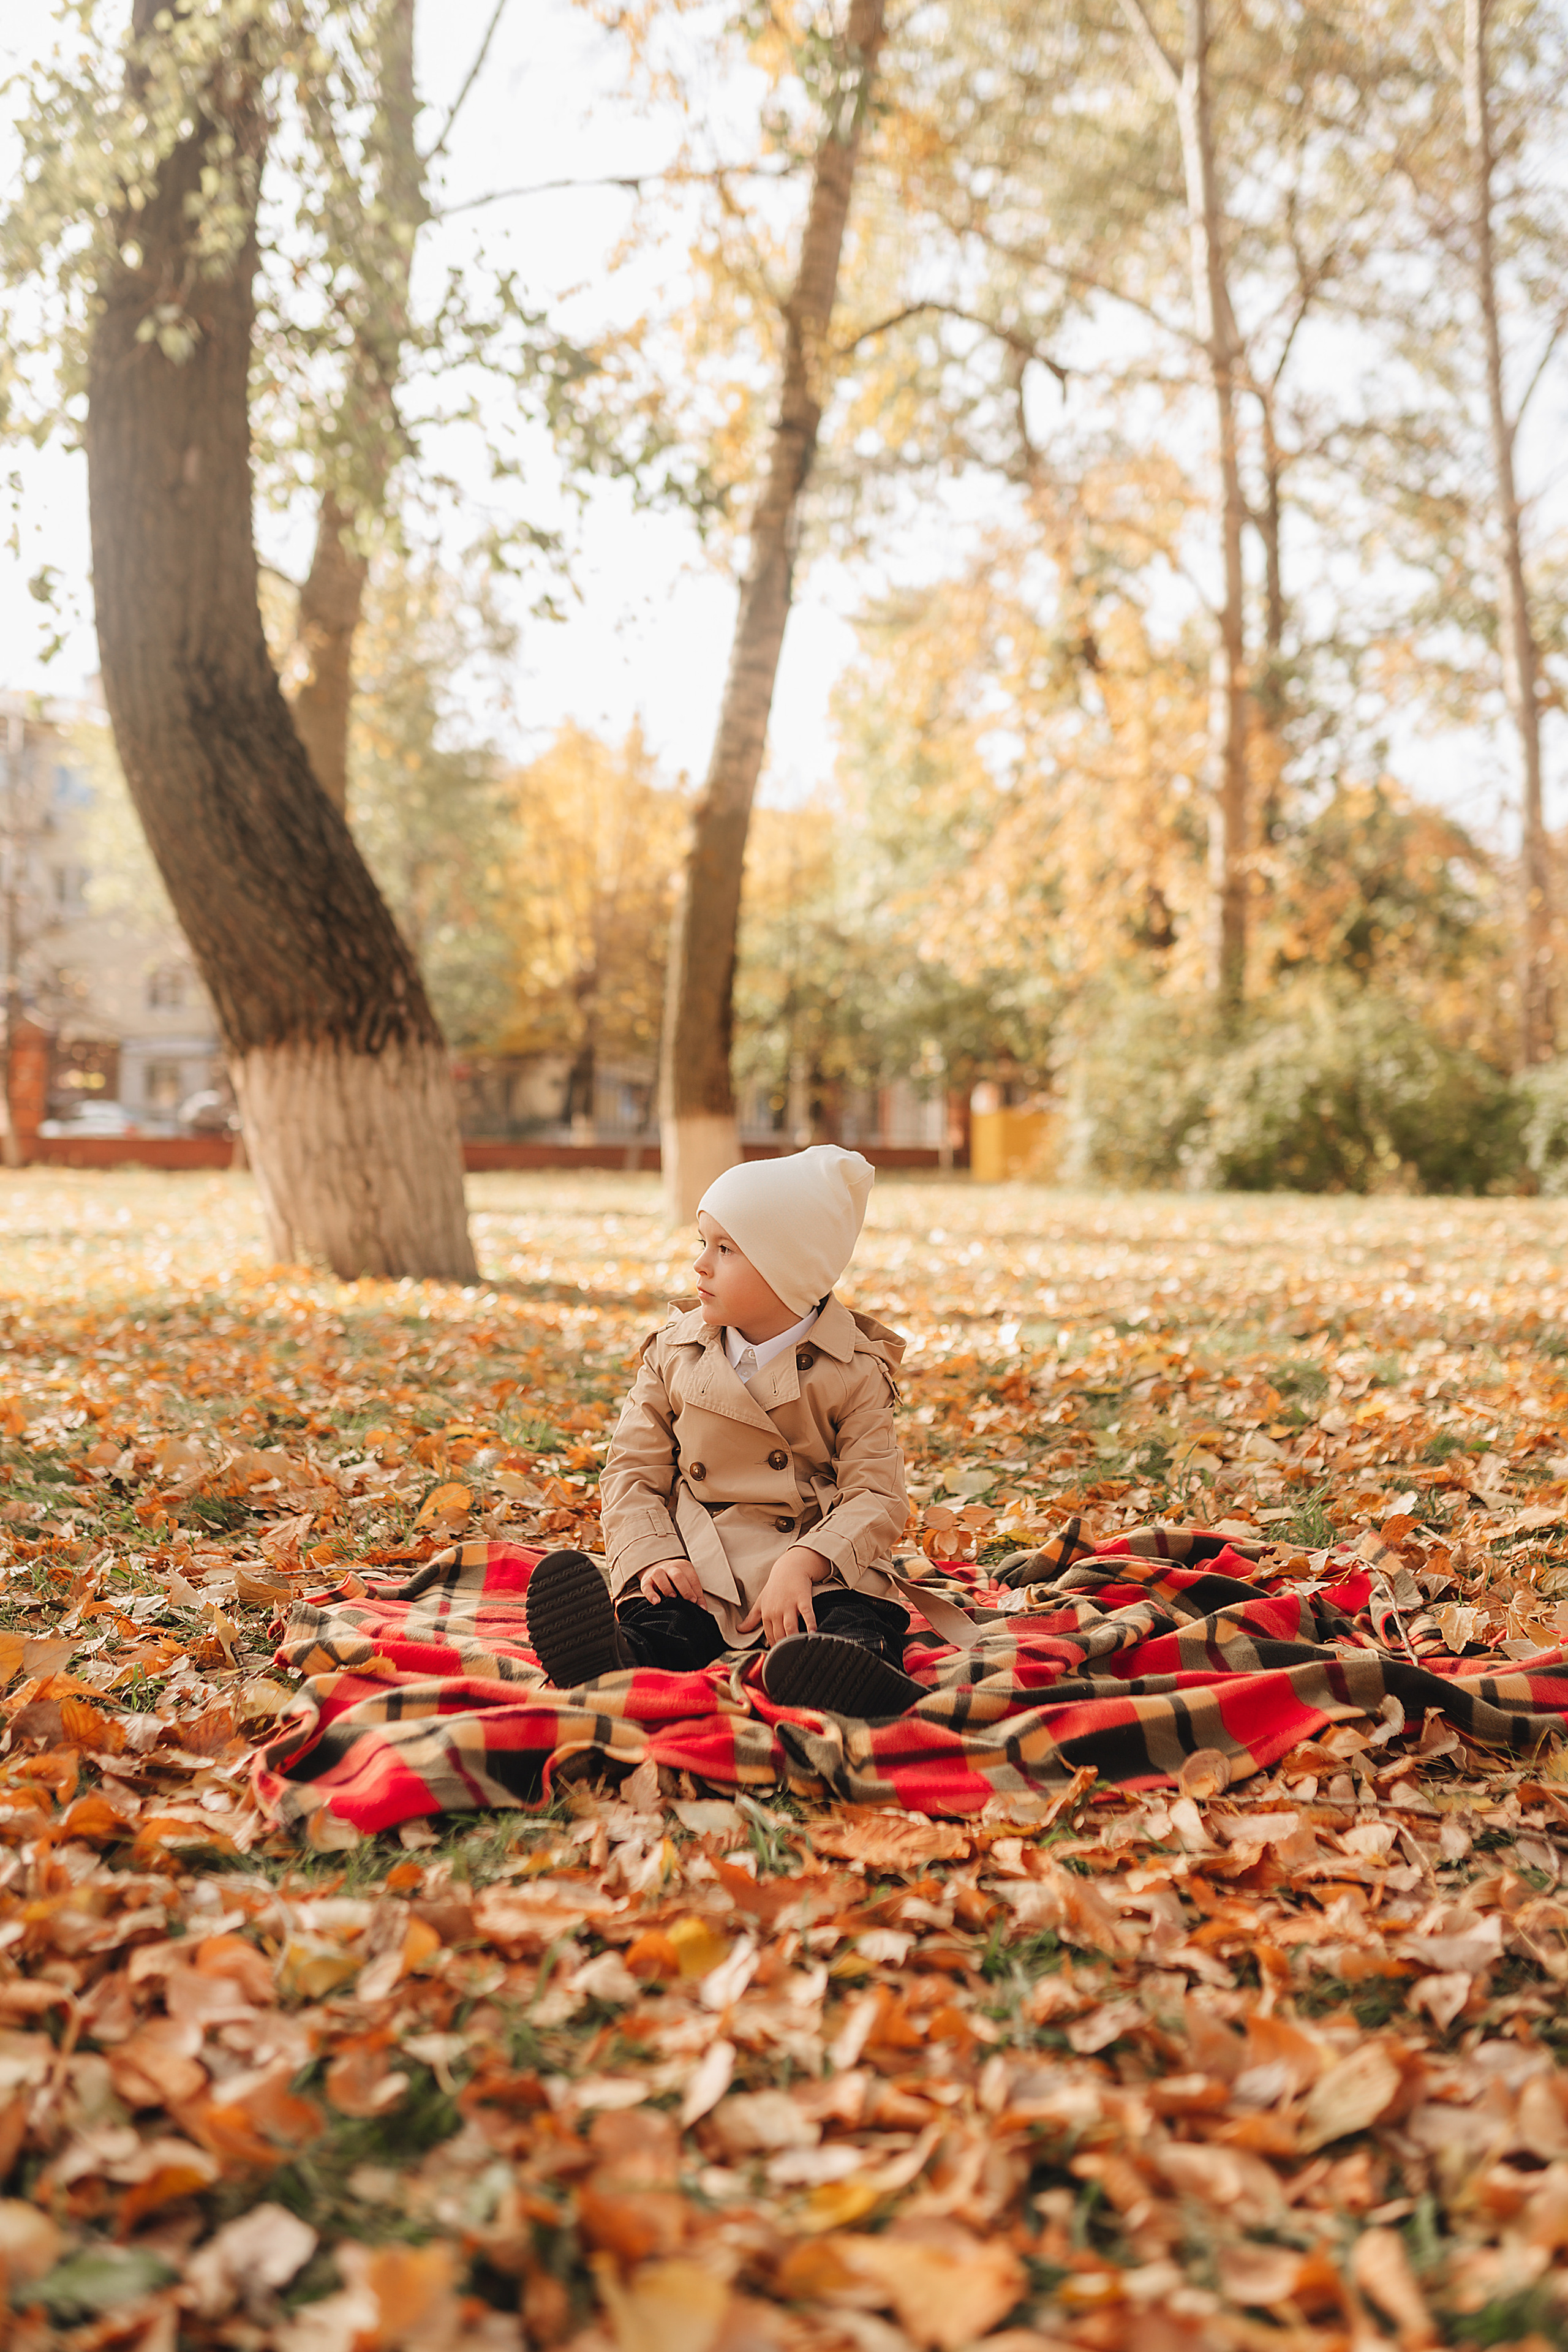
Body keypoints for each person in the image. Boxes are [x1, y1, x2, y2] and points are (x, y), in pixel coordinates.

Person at [524, 1144, 927, 1718]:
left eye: (726, 1249)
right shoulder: (675, 1353)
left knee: (853, 1612)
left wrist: (805, 1562)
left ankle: (853, 1672)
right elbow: (632, 1470)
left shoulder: (854, 1370)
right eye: (702, 1244)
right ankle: (610, 1659)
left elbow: (876, 1495)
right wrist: (653, 1556)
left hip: (813, 1553)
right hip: (699, 1553)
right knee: (667, 1618)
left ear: (787, 1271)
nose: (701, 1266)